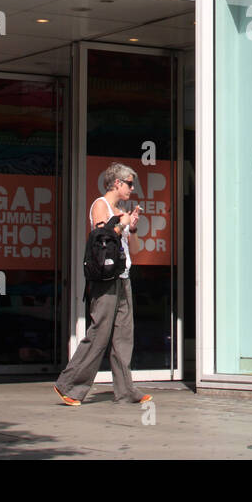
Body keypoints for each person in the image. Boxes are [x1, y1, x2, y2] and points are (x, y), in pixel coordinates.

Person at [52, 163, 153, 406]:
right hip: (105, 280)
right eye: (129, 183)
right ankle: (69, 385)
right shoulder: (101, 205)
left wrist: (134, 227)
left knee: (123, 336)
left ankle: (126, 390)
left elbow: (135, 251)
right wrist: (121, 223)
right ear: (117, 183)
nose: (132, 188)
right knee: (99, 333)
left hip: (123, 277)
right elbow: (101, 238)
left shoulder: (121, 210)